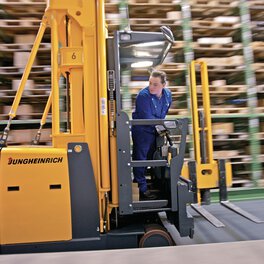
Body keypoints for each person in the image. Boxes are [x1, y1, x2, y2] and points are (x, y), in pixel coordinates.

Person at [131, 70, 172, 200]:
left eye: (155, 84)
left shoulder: (168, 95)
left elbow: (165, 111)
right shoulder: (143, 96)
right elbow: (147, 118)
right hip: (142, 131)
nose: (151, 87)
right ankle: (141, 188)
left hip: (156, 129)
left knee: (154, 156)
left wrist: (162, 126)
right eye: (150, 83)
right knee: (141, 158)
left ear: (163, 85)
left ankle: (155, 182)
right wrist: (161, 125)